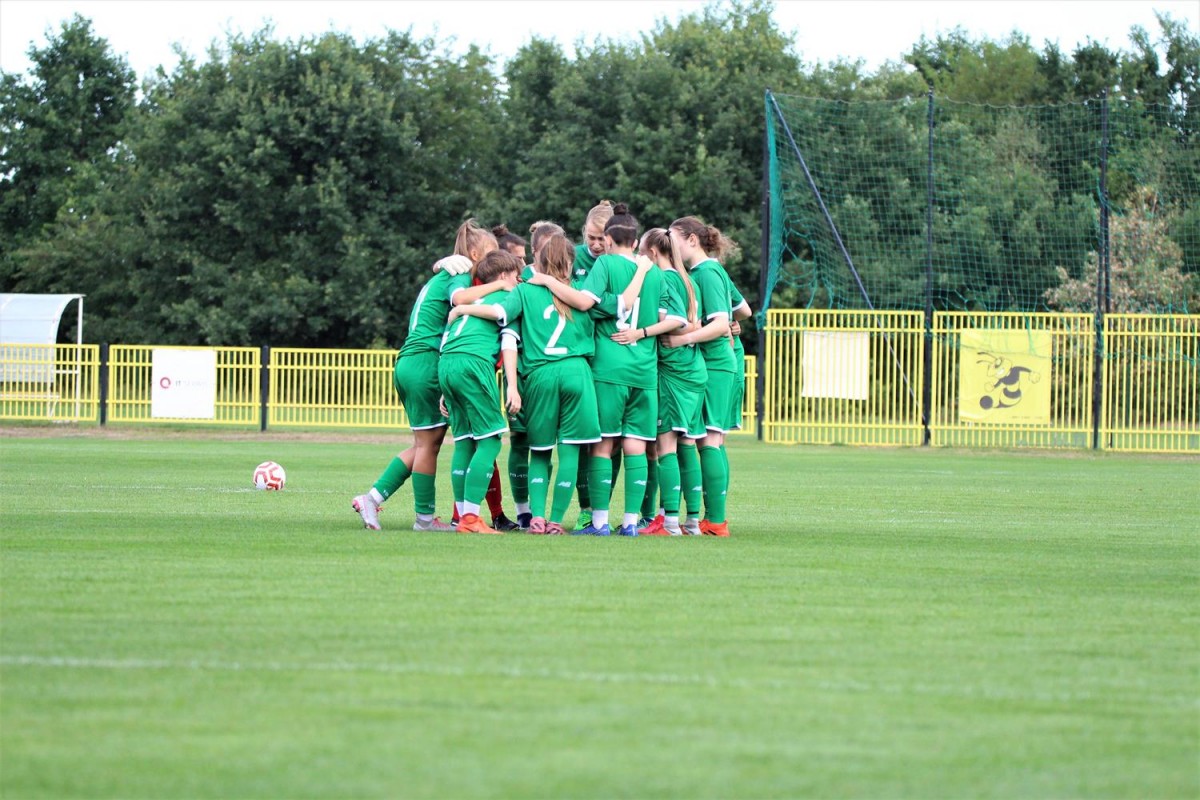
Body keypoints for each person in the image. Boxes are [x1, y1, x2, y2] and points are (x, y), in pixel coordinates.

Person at [529, 203, 673, 536]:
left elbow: (585, 303)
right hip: (644, 370)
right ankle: (632, 523)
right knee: (637, 446)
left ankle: (599, 522)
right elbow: (663, 319)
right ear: (635, 242)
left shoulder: (605, 264)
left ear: (608, 240)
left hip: (608, 368)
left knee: (602, 446)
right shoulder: (653, 273)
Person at [351, 220, 504, 531]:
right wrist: (501, 286)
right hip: (425, 363)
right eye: (490, 253)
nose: (493, 261)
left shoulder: (447, 272)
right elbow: (460, 299)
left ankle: (377, 499)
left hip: (411, 361)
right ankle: (419, 517)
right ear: (474, 253)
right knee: (427, 446)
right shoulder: (460, 272)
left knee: (425, 443)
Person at [447, 233, 601, 534]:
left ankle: (536, 518)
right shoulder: (581, 292)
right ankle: (556, 521)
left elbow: (500, 314)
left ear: (539, 261)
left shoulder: (525, 290)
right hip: (577, 372)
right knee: (570, 452)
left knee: (540, 452)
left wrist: (463, 308)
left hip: (540, 375)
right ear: (570, 263)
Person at [624, 228, 707, 536]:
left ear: (653, 253)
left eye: (642, 253)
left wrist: (641, 332)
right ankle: (692, 521)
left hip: (674, 371)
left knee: (666, 446)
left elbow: (676, 321)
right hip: (693, 369)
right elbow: (694, 321)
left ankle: (670, 522)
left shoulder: (666, 278)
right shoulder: (687, 279)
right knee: (687, 444)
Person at [662, 216, 739, 537]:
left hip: (716, 364)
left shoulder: (706, 272)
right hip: (714, 363)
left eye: (674, 239)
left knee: (709, 439)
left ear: (691, 240)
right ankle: (712, 518)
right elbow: (737, 313)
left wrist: (684, 339)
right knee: (711, 441)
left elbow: (720, 323)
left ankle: (716, 520)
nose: (671, 246)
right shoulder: (702, 272)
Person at [438, 249, 523, 534]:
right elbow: (506, 335)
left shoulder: (473, 297)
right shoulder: (507, 296)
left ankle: (463, 516)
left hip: (447, 363)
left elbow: (448, 339)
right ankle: (471, 519)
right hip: (474, 363)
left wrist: (446, 388)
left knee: (464, 442)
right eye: (516, 275)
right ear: (504, 276)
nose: (519, 281)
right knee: (489, 442)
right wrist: (512, 387)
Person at [568, 200, 614, 531]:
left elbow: (627, 305)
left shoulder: (621, 261)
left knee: (612, 441)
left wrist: (587, 302)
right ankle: (586, 508)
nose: (596, 245)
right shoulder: (572, 257)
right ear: (583, 231)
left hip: (612, 359)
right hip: (580, 359)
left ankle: (602, 507)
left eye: (602, 239)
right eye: (591, 238)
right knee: (584, 440)